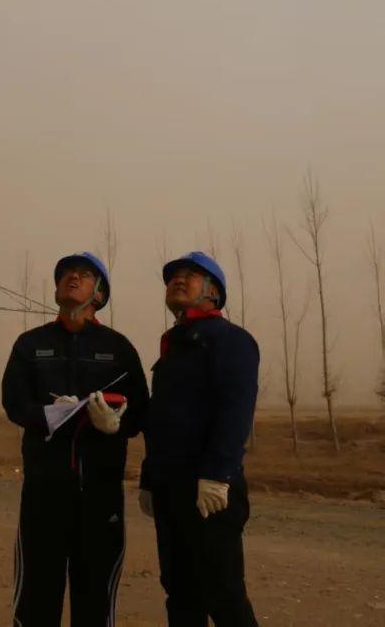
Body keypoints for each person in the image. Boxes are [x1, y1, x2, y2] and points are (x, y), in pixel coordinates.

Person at [2, 252, 149, 627]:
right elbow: (14, 402)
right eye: (66, 273)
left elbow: (140, 412)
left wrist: (115, 423)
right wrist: (50, 415)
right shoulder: (30, 345)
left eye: (84, 275)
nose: (72, 278)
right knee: (36, 601)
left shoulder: (119, 349)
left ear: (99, 294)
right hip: (44, 493)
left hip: (100, 497)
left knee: (95, 602)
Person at [139, 251, 259, 626]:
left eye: (190, 275)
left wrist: (218, 474)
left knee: (223, 596)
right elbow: (162, 422)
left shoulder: (230, 340)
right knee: (180, 594)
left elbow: (235, 411)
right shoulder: (174, 346)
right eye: (173, 276)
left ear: (213, 291)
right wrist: (149, 479)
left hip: (209, 492)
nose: (178, 279)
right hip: (170, 491)